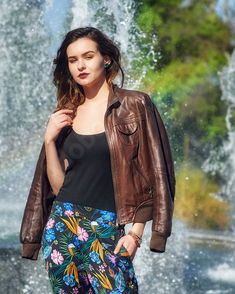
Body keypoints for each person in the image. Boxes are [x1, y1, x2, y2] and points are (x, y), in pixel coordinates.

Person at [20, 27, 175, 294]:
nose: (80, 65)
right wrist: (48, 141)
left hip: (107, 227)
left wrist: (136, 234)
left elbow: (159, 172)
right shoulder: (67, 113)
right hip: (61, 227)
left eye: (88, 56)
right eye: (72, 60)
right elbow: (59, 187)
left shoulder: (135, 105)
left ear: (105, 59)